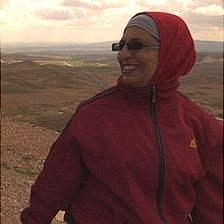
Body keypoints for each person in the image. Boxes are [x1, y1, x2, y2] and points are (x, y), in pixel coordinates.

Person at [21, 11, 223, 224]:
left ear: (172, 52)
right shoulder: (93, 116)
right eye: (121, 46)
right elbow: (54, 183)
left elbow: (213, 207)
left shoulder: (202, 126)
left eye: (136, 45)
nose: (123, 54)